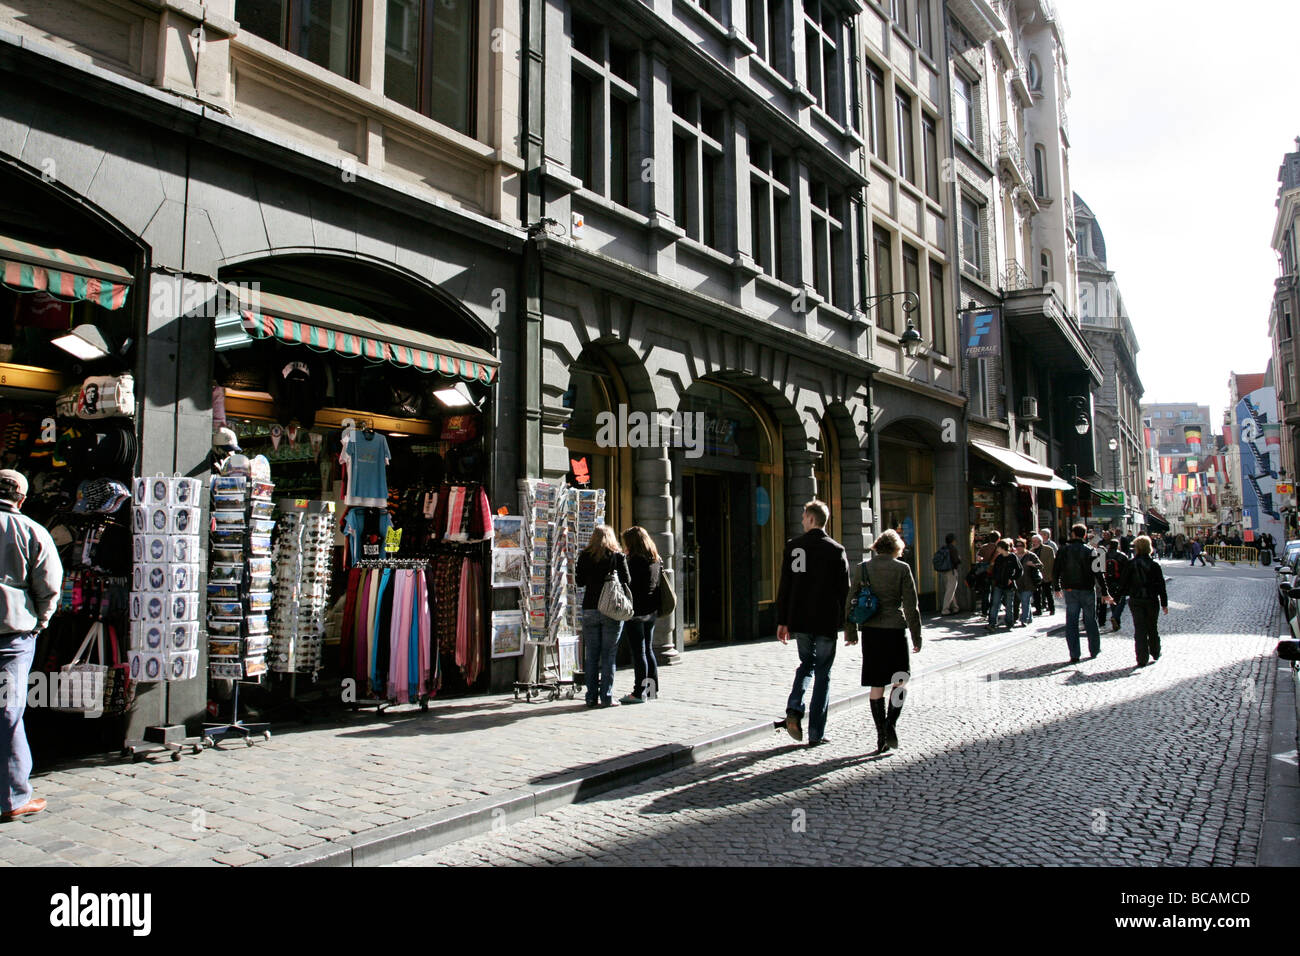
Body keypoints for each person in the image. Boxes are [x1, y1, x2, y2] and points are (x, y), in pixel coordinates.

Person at [0, 469, 63, 820]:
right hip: (13, 634)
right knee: (7, 712)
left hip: (14, 633)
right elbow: (49, 586)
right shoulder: (32, 531)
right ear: (21, 498)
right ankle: (13, 797)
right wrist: (39, 623)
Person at [775, 500, 851, 746]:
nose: (801, 520)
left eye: (803, 516)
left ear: (810, 518)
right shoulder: (836, 550)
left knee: (806, 664)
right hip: (826, 620)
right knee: (823, 673)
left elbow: (785, 586)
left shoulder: (794, 547)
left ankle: (794, 708)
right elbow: (845, 591)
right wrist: (849, 625)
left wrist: (783, 621)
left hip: (800, 619)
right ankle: (816, 732)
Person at [845, 529, 922, 754]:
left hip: (871, 631)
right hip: (895, 630)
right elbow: (911, 606)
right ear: (896, 548)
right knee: (900, 680)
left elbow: (851, 600)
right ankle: (891, 725)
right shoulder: (902, 568)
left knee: (876, 683)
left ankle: (881, 734)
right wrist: (917, 636)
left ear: (877, 546)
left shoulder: (863, 568)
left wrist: (851, 632)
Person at [574, 525, 630, 708]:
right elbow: (626, 580)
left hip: (590, 607)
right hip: (611, 609)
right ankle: (606, 696)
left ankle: (590, 696)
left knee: (591, 655)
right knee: (608, 655)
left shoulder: (585, 556)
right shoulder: (617, 556)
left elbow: (579, 581)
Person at [1052, 522, 1114, 664]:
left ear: (1072, 534)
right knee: (1090, 620)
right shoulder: (1090, 550)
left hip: (1070, 589)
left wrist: (1057, 587)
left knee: (1072, 621)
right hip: (1087, 589)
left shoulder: (1063, 550)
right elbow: (1099, 573)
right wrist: (1105, 592)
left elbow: (1056, 570)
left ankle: (1074, 654)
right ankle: (1094, 649)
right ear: (1085, 535)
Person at [619, 526, 662, 704]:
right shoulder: (655, 559)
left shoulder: (634, 561)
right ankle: (652, 690)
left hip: (636, 611)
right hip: (650, 611)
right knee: (648, 650)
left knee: (639, 652)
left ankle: (639, 692)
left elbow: (628, 584)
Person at [1117, 535, 1168, 667]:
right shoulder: (1154, 565)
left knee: (1139, 629)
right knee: (1152, 627)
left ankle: (1141, 658)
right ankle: (1155, 651)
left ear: (1137, 549)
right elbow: (1161, 585)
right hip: (1151, 599)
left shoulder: (1130, 564)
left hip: (1136, 600)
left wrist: (1120, 596)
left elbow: (1123, 584)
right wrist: (1164, 603)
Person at [986, 539, 1021, 633]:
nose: (997, 549)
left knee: (1009, 605)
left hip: (1009, 585)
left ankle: (1009, 623)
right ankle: (992, 622)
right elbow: (995, 571)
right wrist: (995, 579)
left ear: (1002, 548)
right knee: (995, 604)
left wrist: (1012, 578)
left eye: (998, 547)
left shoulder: (1012, 557)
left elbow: (1020, 570)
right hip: (998, 584)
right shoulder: (999, 558)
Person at [1102, 539, 1130, 633]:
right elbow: (1127, 571)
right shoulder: (1122, 556)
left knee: (1112, 600)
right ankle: (1115, 617)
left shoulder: (1104, 556)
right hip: (1119, 582)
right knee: (1121, 601)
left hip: (1108, 581)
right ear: (1118, 546)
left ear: (1109, 546)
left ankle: (1117, 622)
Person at [1013, 539, 1042, 627]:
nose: (1018, 548)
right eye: (1017, 546)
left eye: (1020, 546)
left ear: (1024, 546)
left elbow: (1041, 565)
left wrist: (1033, 564)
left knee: (1025, 601)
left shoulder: (1030, 555)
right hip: (1017, 583)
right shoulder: (1014, 556)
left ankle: (1024, 619)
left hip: (1028, 582)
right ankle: (1029, 618)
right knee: (1024, 601)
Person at [935, 532, 962, 615]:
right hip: (951, 571)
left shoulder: (943, 548)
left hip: (944, 571)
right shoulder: (953, 549)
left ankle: (955, 607)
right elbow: (956, 561)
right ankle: (945, 609)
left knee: (949, 589)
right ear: (953, 541)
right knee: (950, 590)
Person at [1033, 531, 1057, 616]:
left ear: (1040, 541)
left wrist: (1050, 575)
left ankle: (1052, 609)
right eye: (1033, 541)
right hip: (1036, 576)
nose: (1034, 543)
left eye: (1035, 541)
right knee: (1036, 594)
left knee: (1048, 593)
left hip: (1046, 574)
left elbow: (1052, 563)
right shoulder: (1031, 551)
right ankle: (1038, 609)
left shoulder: (1048, 549)